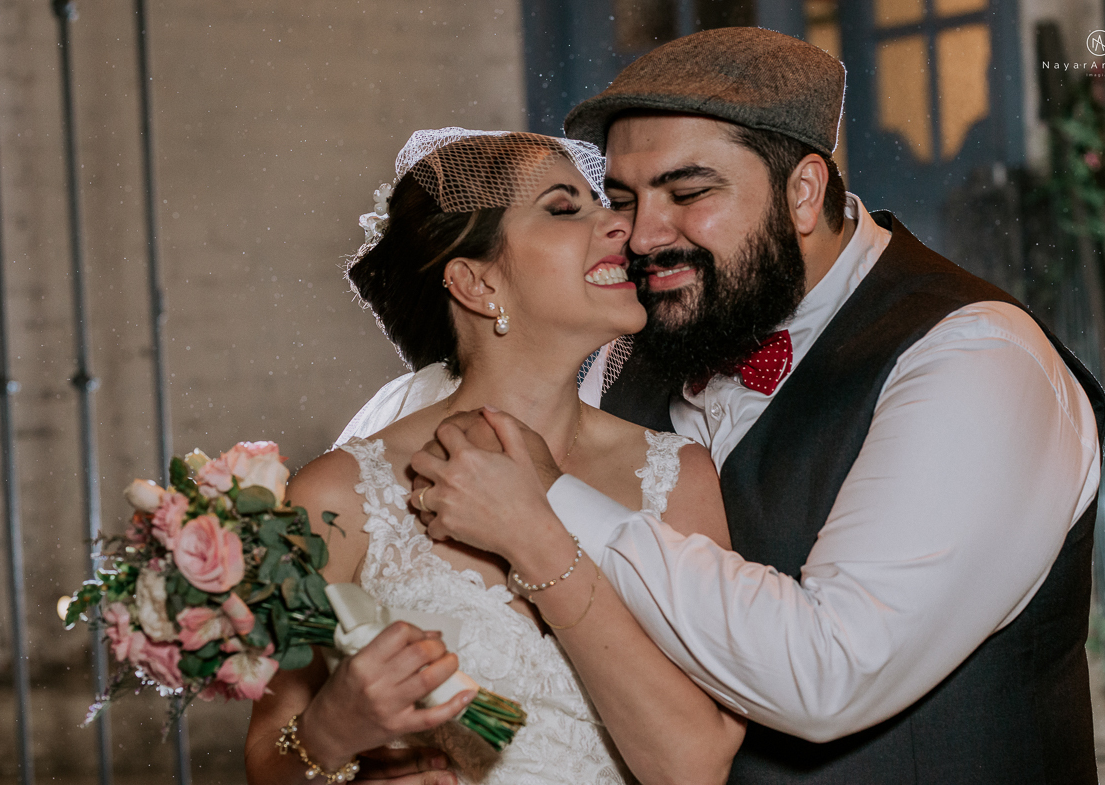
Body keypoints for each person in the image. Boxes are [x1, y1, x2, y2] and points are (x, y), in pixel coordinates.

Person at [407, 28, 1105, 784]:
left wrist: (547, 504)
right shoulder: (622, 355)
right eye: (622, 199)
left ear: (804, 192)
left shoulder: (976, 358)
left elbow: (828, 672)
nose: (641, 235)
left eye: (689, 192)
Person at [244, 128, 744, 785]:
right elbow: (265, 766)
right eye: (566, 208)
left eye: (602, 202)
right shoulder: (338, 495)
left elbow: (695, 770)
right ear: (477, 282)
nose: (621, 224)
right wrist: (333, 732)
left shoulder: (679, 476)